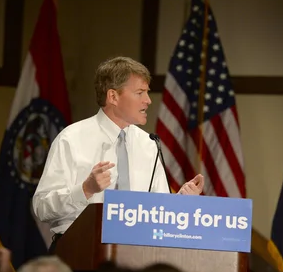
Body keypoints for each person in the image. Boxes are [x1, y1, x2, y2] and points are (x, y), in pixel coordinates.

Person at [32, 56, 204, 237]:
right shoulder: (71, 139)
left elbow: (156, 212)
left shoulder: (149, 144)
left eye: (147, 92)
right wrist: (85, 190)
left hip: (136, 252)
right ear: (113, 96)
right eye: (140, 93)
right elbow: (41, 208)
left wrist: (180, 202)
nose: (148, 100)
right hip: (79, 248)